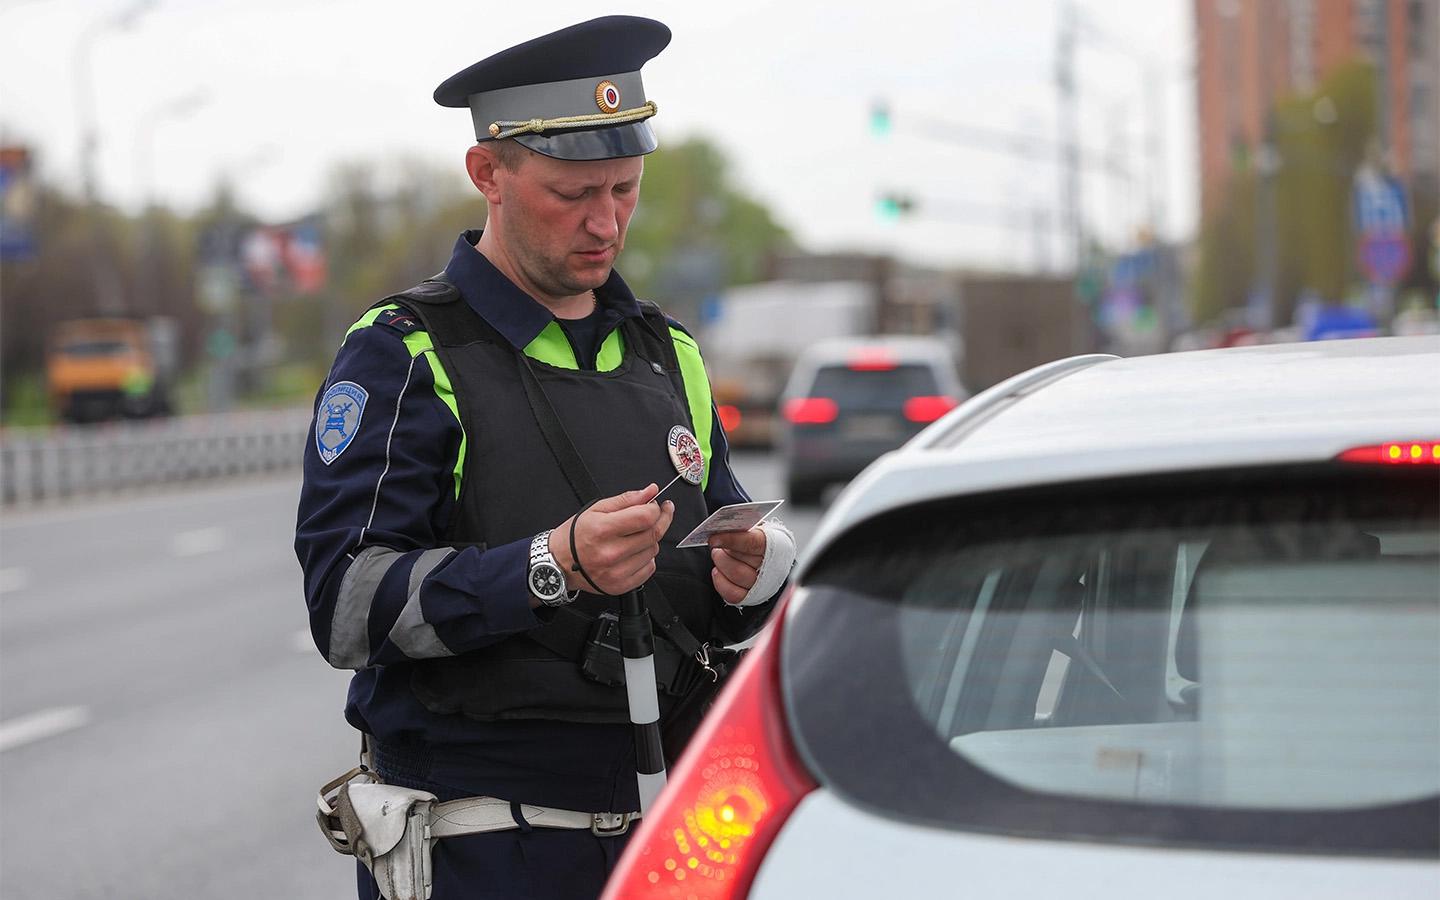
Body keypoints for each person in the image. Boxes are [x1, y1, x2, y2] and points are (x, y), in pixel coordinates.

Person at [294, 15, 794, 900]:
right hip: (483, 850)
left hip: (667, 842)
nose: (606, 223)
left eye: (626, 188)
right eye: (573, 193)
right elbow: (345, 606)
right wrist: (550, 566)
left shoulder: (665, 351)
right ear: (488, 174)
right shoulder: (407, 352)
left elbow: (723, 583)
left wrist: (750, 574)